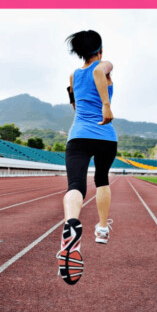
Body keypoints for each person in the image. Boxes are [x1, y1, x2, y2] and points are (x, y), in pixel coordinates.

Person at [57, 30, 118, 285]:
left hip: (79, 135)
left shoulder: (73, 75)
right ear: (100, 49)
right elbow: (97, 72)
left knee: (76, 186)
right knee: (102, 180)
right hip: (105, 135)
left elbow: (74, 104)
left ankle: (72, 224)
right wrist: (105, 105)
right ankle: (102, 229)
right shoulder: (104, 65)